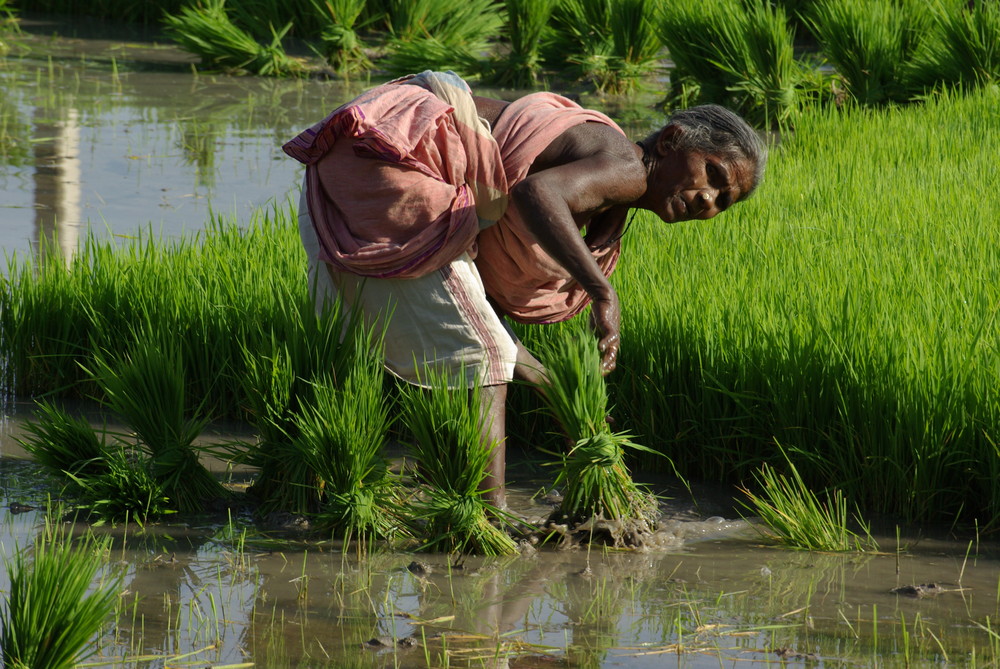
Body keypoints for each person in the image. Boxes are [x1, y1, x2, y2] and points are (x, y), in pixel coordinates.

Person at [283, 71, 766, 510]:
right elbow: (536, 195)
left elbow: (476, 308)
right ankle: (488, 516)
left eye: (724, 200)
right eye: (713, 175)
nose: (709, 200)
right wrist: (601, 291)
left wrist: (557, 385)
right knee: (482, 353)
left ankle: (312, 481)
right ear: (672, 140)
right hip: (404, 155)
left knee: (418, 342)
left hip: (371, 146)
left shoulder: (609, 194)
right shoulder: (627, 165)